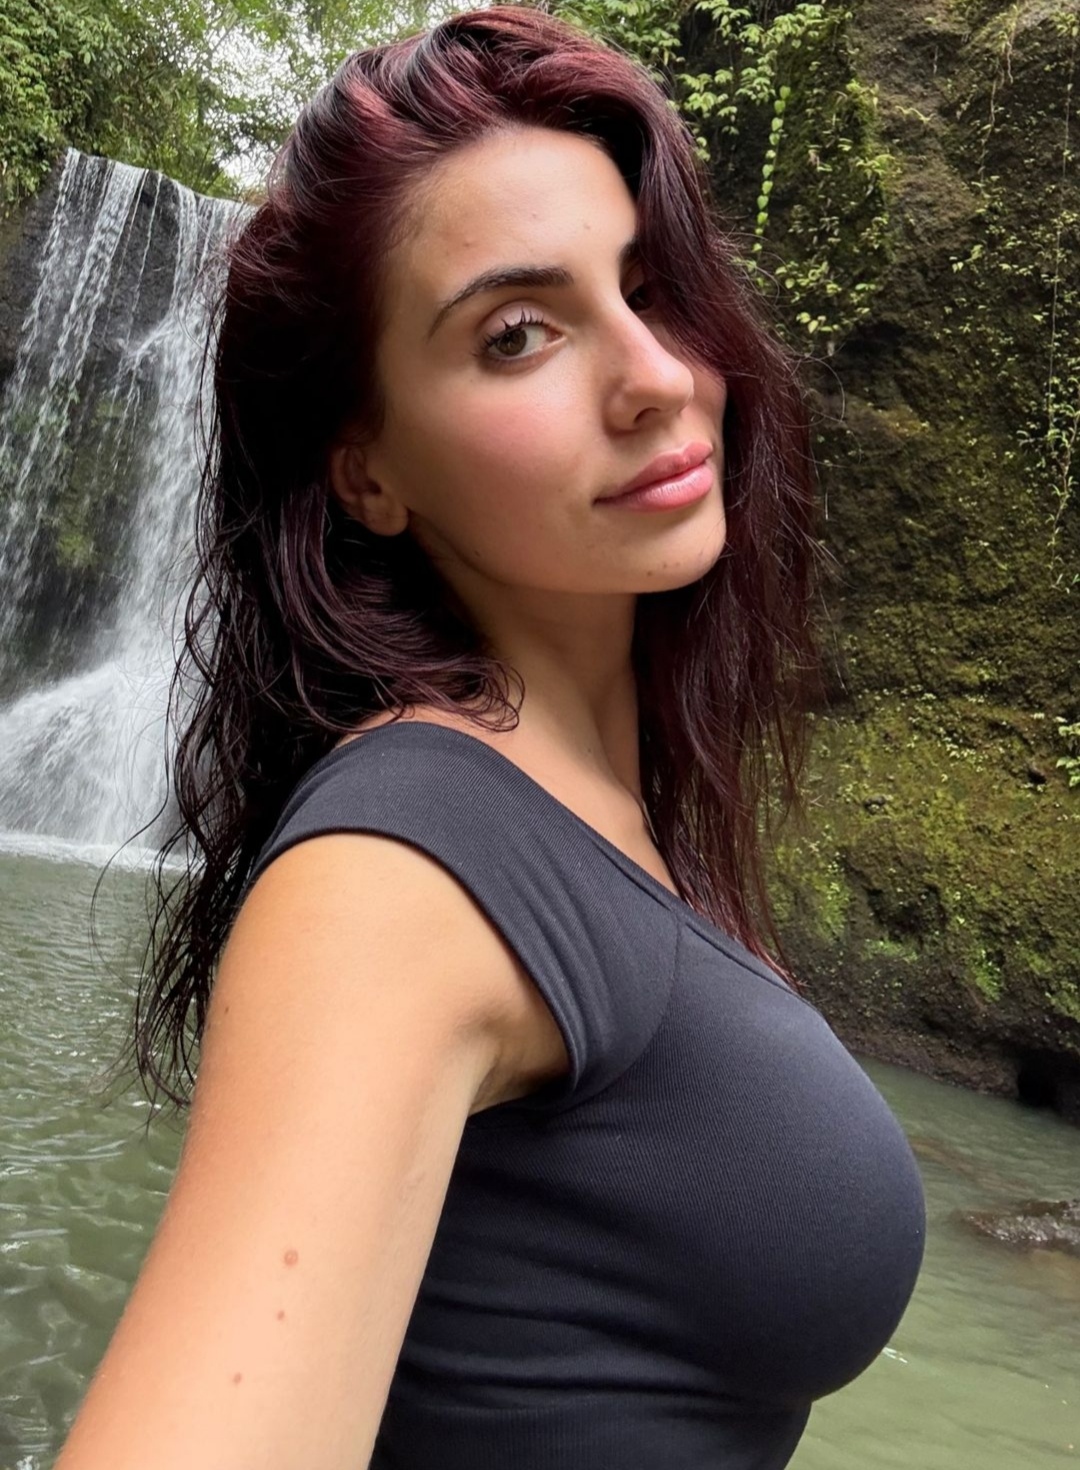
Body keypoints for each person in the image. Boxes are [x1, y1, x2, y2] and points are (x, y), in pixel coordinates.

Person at [56, 7, 926, 1467]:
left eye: (650, 287)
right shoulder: (404, 870)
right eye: (518, 334)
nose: (657, 374)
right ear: (368, 471)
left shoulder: (598, 808)